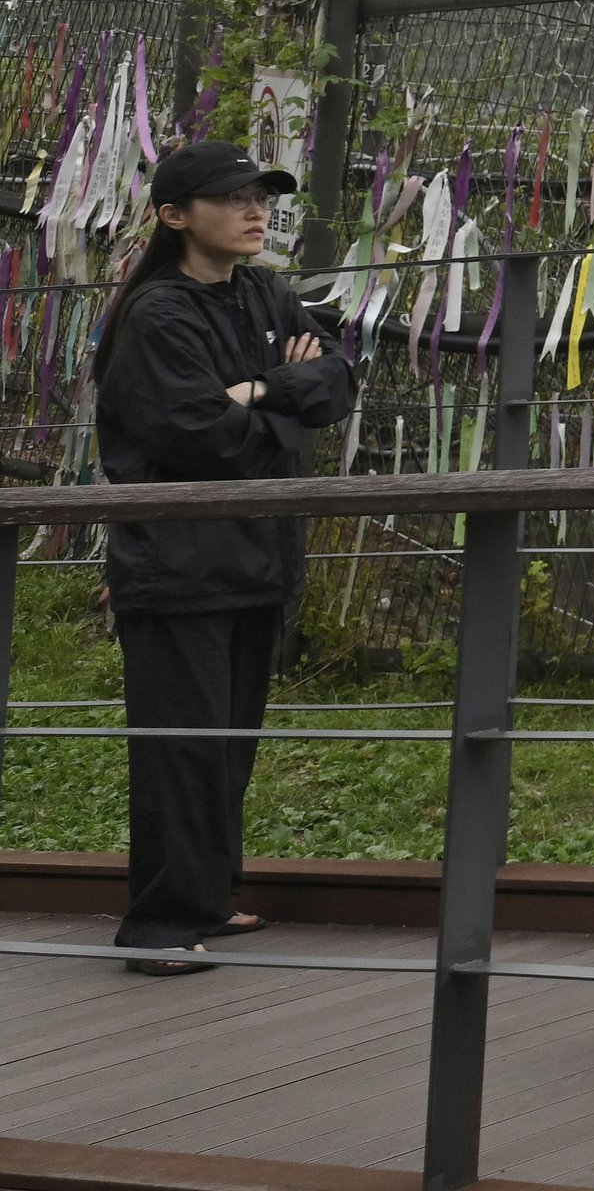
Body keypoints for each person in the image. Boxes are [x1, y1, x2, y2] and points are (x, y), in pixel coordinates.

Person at [91, 140, 358, 975]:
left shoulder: (264, 292)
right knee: (183, 747)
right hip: (178, 566)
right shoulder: (160, 314)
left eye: (262, 196)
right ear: (175, 216)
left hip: (256, 557)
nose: (256, 211)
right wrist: (275, 393)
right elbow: (200, 436)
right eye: (233, 198)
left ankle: (205, 897)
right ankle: (160, 926)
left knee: (228, 741)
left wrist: (260, 390)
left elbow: (340, 379)